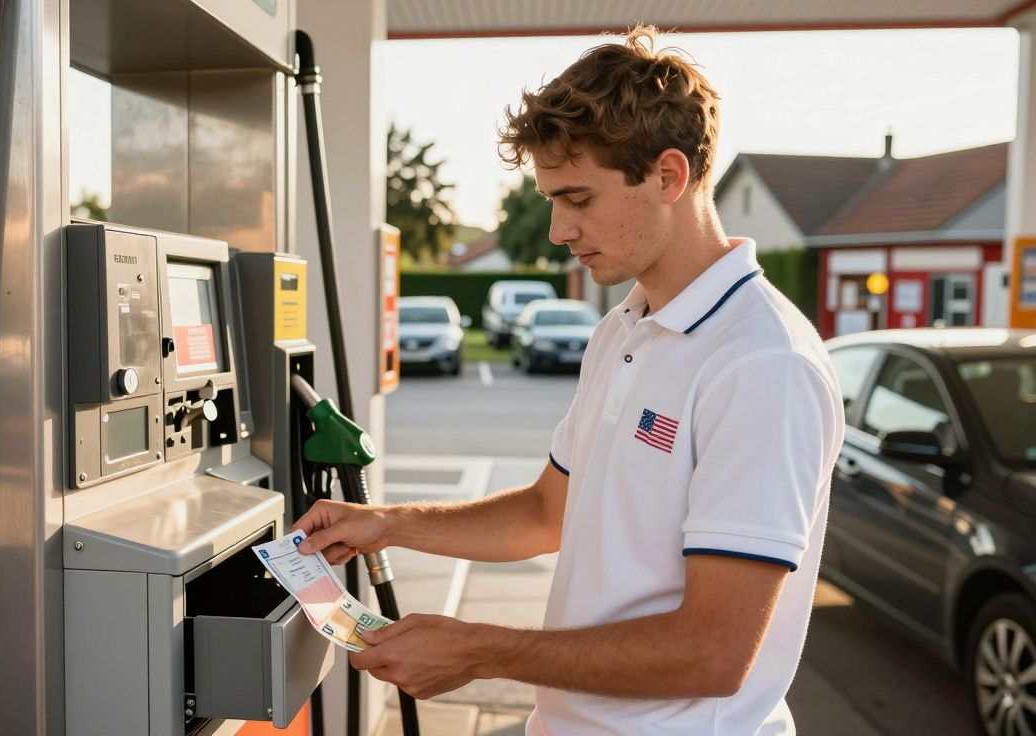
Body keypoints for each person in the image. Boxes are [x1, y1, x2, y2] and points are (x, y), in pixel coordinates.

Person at [291, 25, 844, 735]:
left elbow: (713, 653)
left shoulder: (763, 364)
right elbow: (546, 513)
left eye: (578, 199)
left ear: (669, 177)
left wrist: (480, 650)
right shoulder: (626, 327)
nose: (556, 229)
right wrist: (388, 524)